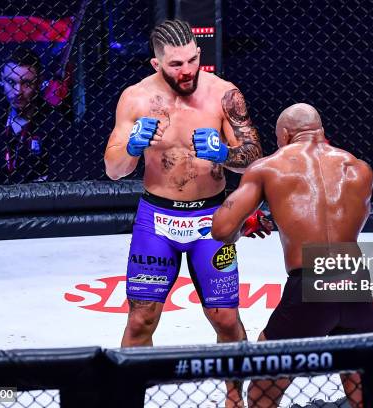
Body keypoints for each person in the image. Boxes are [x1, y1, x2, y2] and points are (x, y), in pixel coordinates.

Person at [104, 19, 263, 406]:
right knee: (141, 318)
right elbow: (114, 169)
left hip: (212, 222)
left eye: (193, 59)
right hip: (155, 221)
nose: (188, 69)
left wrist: (225, 155)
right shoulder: (136, 99)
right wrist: (133, 147)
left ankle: (234, 399)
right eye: (176, 64)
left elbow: (255, 158)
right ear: (156, 64)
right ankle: (129, 400)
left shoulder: (224, 94)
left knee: (225, 319)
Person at [211, 103, 373, 408]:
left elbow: (221, 230)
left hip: (310, 284)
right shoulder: (359, 168)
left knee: (263, 390)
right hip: (354, 280)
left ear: (285, 135)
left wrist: (245, 225)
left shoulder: (268, 167)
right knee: (361, 390)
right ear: (322, 131)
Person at [0, 46, 68, 185]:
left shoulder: (54, 123)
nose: (17, 92)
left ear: (39, 83)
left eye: (26, 83)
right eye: (11, 82)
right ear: (2, 80)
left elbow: (53, 180)